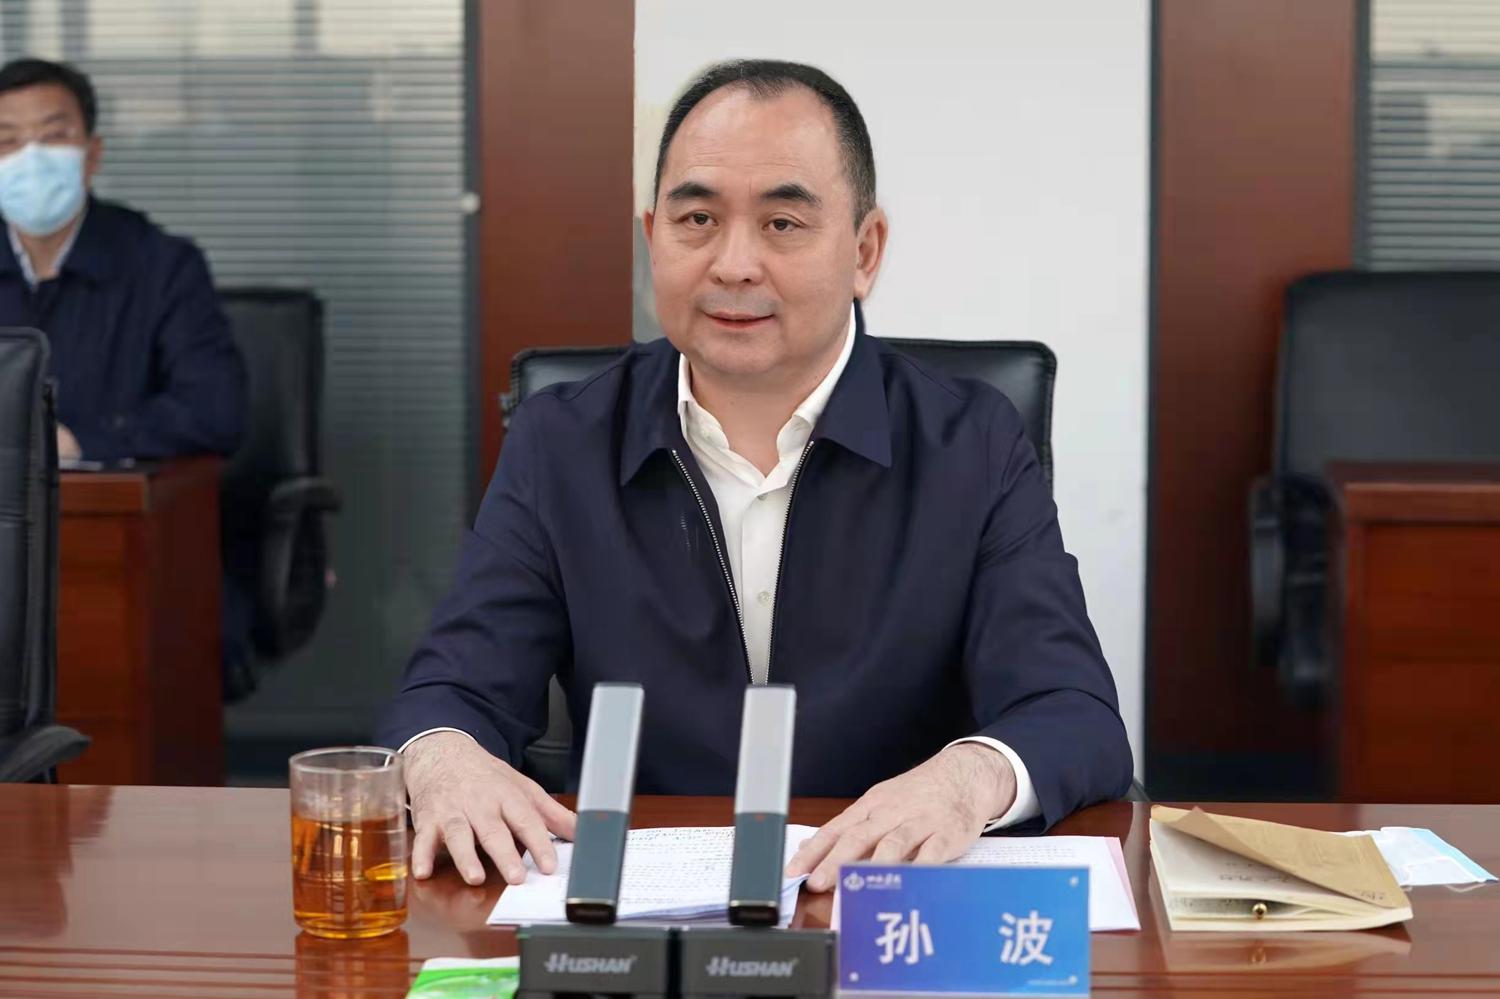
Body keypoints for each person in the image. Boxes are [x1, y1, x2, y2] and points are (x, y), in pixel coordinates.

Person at [378, 59, 1132, 892]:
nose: (733, 264)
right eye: (697, 218)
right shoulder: (563, 438)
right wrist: (442, 757)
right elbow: (451, 688)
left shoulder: (972, 441)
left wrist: (967, 779)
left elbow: (1073, 713)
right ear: (653, 237)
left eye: (782, 223)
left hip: (887, 903)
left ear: (865, 251)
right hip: (635, 911)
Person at [0, 57, 244, 462]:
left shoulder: (164, 267)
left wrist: (78, 442)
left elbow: (214, 412)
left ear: (92, 154)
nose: (32, 159)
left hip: (114, 497)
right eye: (7, 141)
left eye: (54, 135)